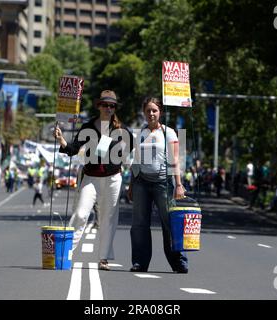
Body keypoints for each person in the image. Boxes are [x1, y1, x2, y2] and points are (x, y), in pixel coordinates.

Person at [54, 90, 133, 271]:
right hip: (91, 178)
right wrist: (61, 140)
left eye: (111, 106)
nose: (108, 108)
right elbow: (73, 148)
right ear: (98, 106)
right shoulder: (88, 127)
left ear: (115, 108)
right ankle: (67, 252)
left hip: (113, 179)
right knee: (81, 214)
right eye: (105, 105)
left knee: (108, 219)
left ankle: (103, 258)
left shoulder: (121, 129)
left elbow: (130, 149)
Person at [128, 97, 187, 274]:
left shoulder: (168, 133)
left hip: (163, 184)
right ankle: (140, 262)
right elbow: (136, 161)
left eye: (154, 110)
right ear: (144, 113)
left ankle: (178, 262)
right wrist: (131, 185)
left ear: (160, 112)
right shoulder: (140, 134)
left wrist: (178, 184)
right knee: (139, 224)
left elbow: (175, 160)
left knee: (170, 223)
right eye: (148, 110)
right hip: (141, 183)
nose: (151, 113)